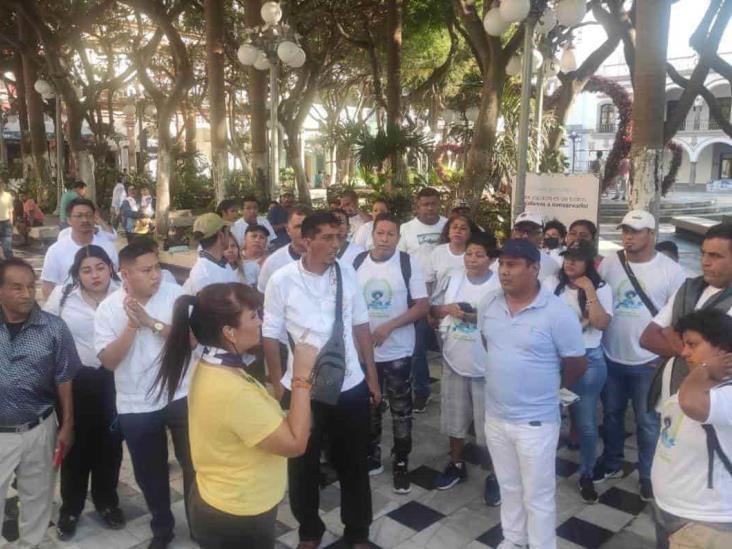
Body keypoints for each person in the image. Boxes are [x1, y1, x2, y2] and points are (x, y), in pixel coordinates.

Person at [153, 283, 317, 548]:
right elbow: (295, 444)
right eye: (253, 316)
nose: (261, 320)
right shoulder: (232, 390)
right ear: (229, 331)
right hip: (238, 514)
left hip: (223, 500)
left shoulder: (212, 363)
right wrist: (301, 376)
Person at [262, 212, 381, 548]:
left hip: (349, 385)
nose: (335, 244)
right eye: (327, 238)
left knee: (354, 462)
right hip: (302, 390)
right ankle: (309, 529)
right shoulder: (282, 280)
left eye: (339, 237)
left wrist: (371, 377)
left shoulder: (347, 273)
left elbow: (360, 325)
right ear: (306, 241)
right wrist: (276, 384)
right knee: (302, 464)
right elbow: (270, 336)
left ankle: (357, 531)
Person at [479, 239, 587, 549]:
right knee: (509, 486)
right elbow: (491, 345)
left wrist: (545, 388)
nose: (504, 271)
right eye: (501, 264)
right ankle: (513, 540)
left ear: (534, 268)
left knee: (537, 496)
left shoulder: (557, 313)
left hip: (536, 422)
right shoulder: (490, 303)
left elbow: (576, 364)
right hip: (496, 416)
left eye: (512, 265)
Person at [95, 238, 193, 548]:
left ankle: (198, 520)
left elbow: (189, 341)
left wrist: (151, 323)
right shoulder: (108, 308)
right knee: (150, 473)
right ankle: (162, 527)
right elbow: (109, 362)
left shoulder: (175, 294)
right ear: (124, 274)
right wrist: (132, 326)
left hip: (181, 394)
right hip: (136, 404)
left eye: (157, 267)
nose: (156, 275)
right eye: (146, 270)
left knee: (194, 464)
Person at [595, 210, 686, 501]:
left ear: (651, 234)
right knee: (611, 415)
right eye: (625, 231)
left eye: (635, 231)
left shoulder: (671, 271)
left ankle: (647, 475)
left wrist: (666, 354)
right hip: (611, 356)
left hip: (649, 363)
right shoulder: (610, 262)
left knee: (648, 423)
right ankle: (611, 462)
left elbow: (680, 319)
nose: (628, 237)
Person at [43, 246, 125, 540]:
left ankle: (106, 501)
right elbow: (44, 329)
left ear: (110, 268)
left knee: (111, 444)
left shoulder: (123, 293)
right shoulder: (64, 296)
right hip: (74, 381)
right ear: (77, 274)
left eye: (100, 267)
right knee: (74, 445)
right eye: (87, 270)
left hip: (114, 379)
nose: (95, 275)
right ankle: (71, 507)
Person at [0, 258, 80, 547]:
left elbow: (65, 378)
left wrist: (67, 425)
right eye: (16, 287)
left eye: (30, 287)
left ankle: (29, 544)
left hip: (39, 428)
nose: (26, 294)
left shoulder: (54, 328)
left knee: (37, 495)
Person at [353, 213, 429, 493]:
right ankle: (372, 454)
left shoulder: (408, 264)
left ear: (398, 237)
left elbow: (422, 305)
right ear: (372, 234)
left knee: (401, 409)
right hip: (364, 353)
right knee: (370, 406)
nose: (384, 239)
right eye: (380, 233)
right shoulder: (357, 262)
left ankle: (401, 461)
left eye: (391, 234)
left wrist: (389, 327)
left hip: (398, 351)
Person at [431, 232, 502, 505]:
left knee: (491, 427)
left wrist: (475, 316)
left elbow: (505, 320)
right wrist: (447, 309)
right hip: (454, 360)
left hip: (488, 367)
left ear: (490, 259)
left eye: (479, 254)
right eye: (469, 254)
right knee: (454, 418)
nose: (472, 259)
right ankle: (456, 465)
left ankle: (496, 474)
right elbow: (433, 310)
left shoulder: (498, 285)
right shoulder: (453, 277)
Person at [652, 310, 732, 548]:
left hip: (706, 521)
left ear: (723, 349)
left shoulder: (726, 393)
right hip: (671, 509)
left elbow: (691, 405)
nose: (684, 352)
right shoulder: (699, 383)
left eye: (692, 345)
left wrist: (705, 367)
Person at [545, 240, 613, 503]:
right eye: (567, 257)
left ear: (589, 263)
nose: (570, 262)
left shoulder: (601, 288)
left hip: (589, 361)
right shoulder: (552, 284)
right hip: (556, 360)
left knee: (585, 424)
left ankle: (586, 473)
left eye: (577, 258)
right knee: (552, 420)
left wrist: (589, 291)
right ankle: (543, 473)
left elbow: (602, 323)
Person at [642, 223, 732, 411]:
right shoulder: (689, 288)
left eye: (715, 255)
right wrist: (701, 353)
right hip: (668, 397)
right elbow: (648, 338)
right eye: (704, 253)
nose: (705, 262)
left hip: (711, 406)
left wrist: (670, 334)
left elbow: (725, 362)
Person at [399, 187, 447, 412]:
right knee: (417, 350)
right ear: (417, 205)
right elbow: (400, 261)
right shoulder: (406, 229)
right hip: (417, 298)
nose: (429, 208)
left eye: (433, 203)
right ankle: (421, 391)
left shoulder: (448, 226)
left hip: (447, 297)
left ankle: (452, 394)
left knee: (449, 349)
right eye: (425, 204)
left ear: (439, 204)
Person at [41, 198, 120, 300]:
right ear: (69, 220)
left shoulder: (108, 247)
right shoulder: (55, 251)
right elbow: (48, 287)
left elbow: (116, 280)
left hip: (105, 309)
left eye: (88, 215)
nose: (85, 220)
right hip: (70, 311)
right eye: (79, 216)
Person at [492, 211, 561, 281]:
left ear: (541, 236)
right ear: (512, 233)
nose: (525, 236)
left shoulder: (552, 267)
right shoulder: (497, 263)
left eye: (532, 231)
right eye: (520, 230)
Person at [257, 205, 310, 295]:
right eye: (298, 226)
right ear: (288, 230)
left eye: (309, 226)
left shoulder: (330, 259)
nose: (304, 231)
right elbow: (263, 298)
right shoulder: (273, 263)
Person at [182, 213, 238, 295]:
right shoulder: (203, 272)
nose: (228, 235)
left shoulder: (223, 264)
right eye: (227, 231)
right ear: (221, 235)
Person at [428, 213, 479, 287]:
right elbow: (428, 282)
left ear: (470, 233)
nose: (458, 231)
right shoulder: (438, 252)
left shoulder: (476, 255)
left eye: (463, 228)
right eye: (454, 227)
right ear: (448, 231)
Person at [0, 179, 14, 259]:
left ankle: (11, 266)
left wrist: (11, 224)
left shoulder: (8, 196)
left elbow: (11, 211)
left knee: (7, 248)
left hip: (6, 223)